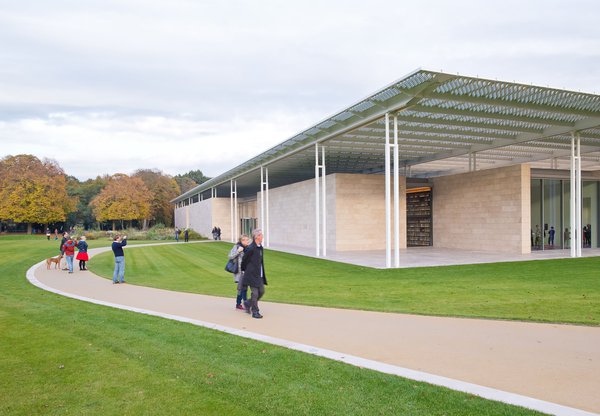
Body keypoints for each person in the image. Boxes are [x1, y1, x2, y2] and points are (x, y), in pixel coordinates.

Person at [241, 229, 267, 319]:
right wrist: (244, 270)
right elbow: (244, 260)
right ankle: (255, 312)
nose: (262, 237)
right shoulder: (250, 248)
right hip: (251, 275)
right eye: (261, 235)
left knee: (262, 291)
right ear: (257, 237)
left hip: (259, 275)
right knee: (255, 293)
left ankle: (248, 303)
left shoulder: (260, 247)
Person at [229, 234, 250, 310]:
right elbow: (230, 256)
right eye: (244, 240)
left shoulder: (248, 248)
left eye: (247, 239)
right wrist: (238, 251)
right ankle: (244, 303)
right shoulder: (237, 247)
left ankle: (239, 304)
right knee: (242, 288)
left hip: (247, 271)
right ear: (241, 240)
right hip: (239, 272)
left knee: (243, 288)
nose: (247, 241)